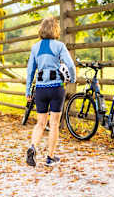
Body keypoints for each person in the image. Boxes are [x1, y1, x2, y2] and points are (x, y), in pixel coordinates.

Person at [25, 17, 76, 167]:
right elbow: (70, 65)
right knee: (54, 124)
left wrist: (28, 90)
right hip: (56, 88)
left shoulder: (35, 47)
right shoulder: (59, 46)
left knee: (40, 123)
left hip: (40, 88)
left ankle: (32, 147)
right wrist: (72, 79)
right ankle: (50, 157)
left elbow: (30, 71)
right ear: (55, 29)